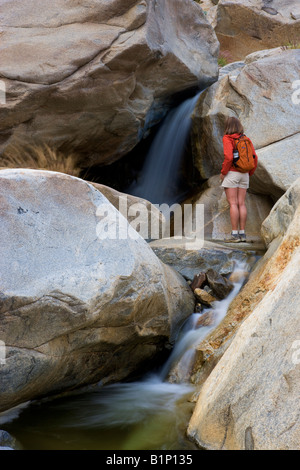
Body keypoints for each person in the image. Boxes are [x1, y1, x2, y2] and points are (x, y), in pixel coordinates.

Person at [220, 116, 258, 242]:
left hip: (232, 173)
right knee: (241, 203)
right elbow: (254, 157)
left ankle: (234, 235)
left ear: (227, 126)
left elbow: (229, 157)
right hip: (245, 174)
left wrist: (223, 173)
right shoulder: (246, 139)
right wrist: (249, 172)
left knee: (233, 203)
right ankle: (242, 234)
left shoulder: (227, 138)